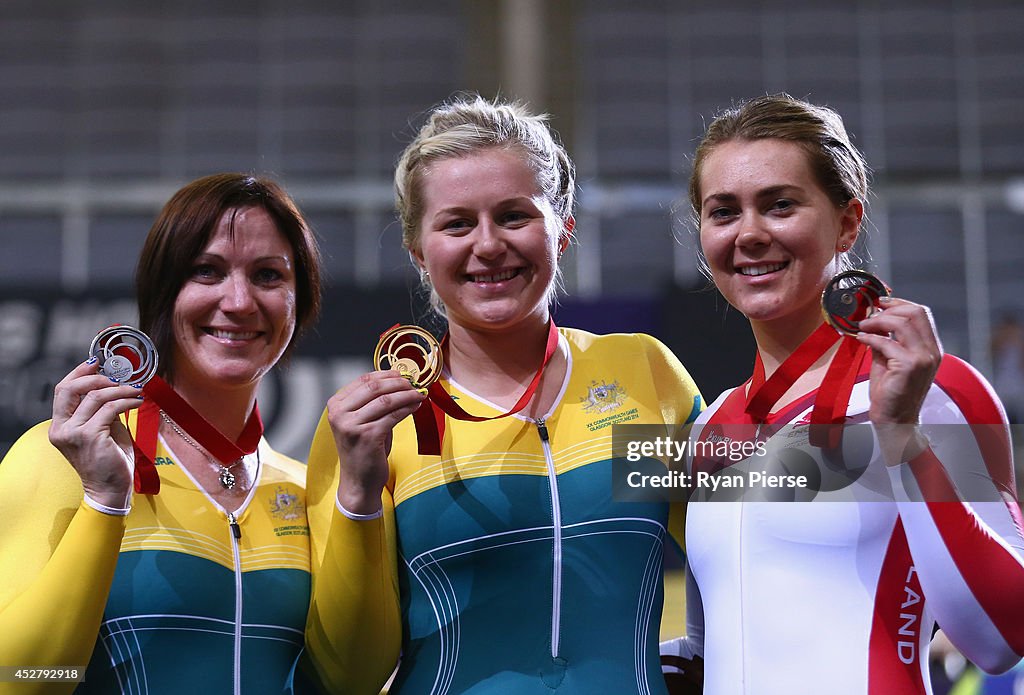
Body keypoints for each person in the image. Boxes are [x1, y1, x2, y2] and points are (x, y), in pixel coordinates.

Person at [302, 95, 703, 694]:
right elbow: (348, 675)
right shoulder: (375, 426)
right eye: (457, 223)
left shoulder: (643, 371)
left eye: (515, 216)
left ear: (562, 229)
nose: (488, 245)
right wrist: (358, 492)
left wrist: (699, 649)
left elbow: (752, 530)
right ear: (419, 252)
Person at [659, 94, 1024, 693]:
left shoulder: (937, 390)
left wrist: (901, 434)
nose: (750, 233)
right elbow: (711, 649)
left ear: (847, 222)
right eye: (723, 212)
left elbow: (1000, 637)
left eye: (780, 205)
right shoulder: (710, 428)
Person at [0, 173, 323, 694]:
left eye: (268, 275)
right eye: (206, 271)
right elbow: (16, 680)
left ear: (299, 300)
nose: (239, 301)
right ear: (162, 290)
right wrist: (105, 501)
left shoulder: (310, 494)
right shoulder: (58, 460)